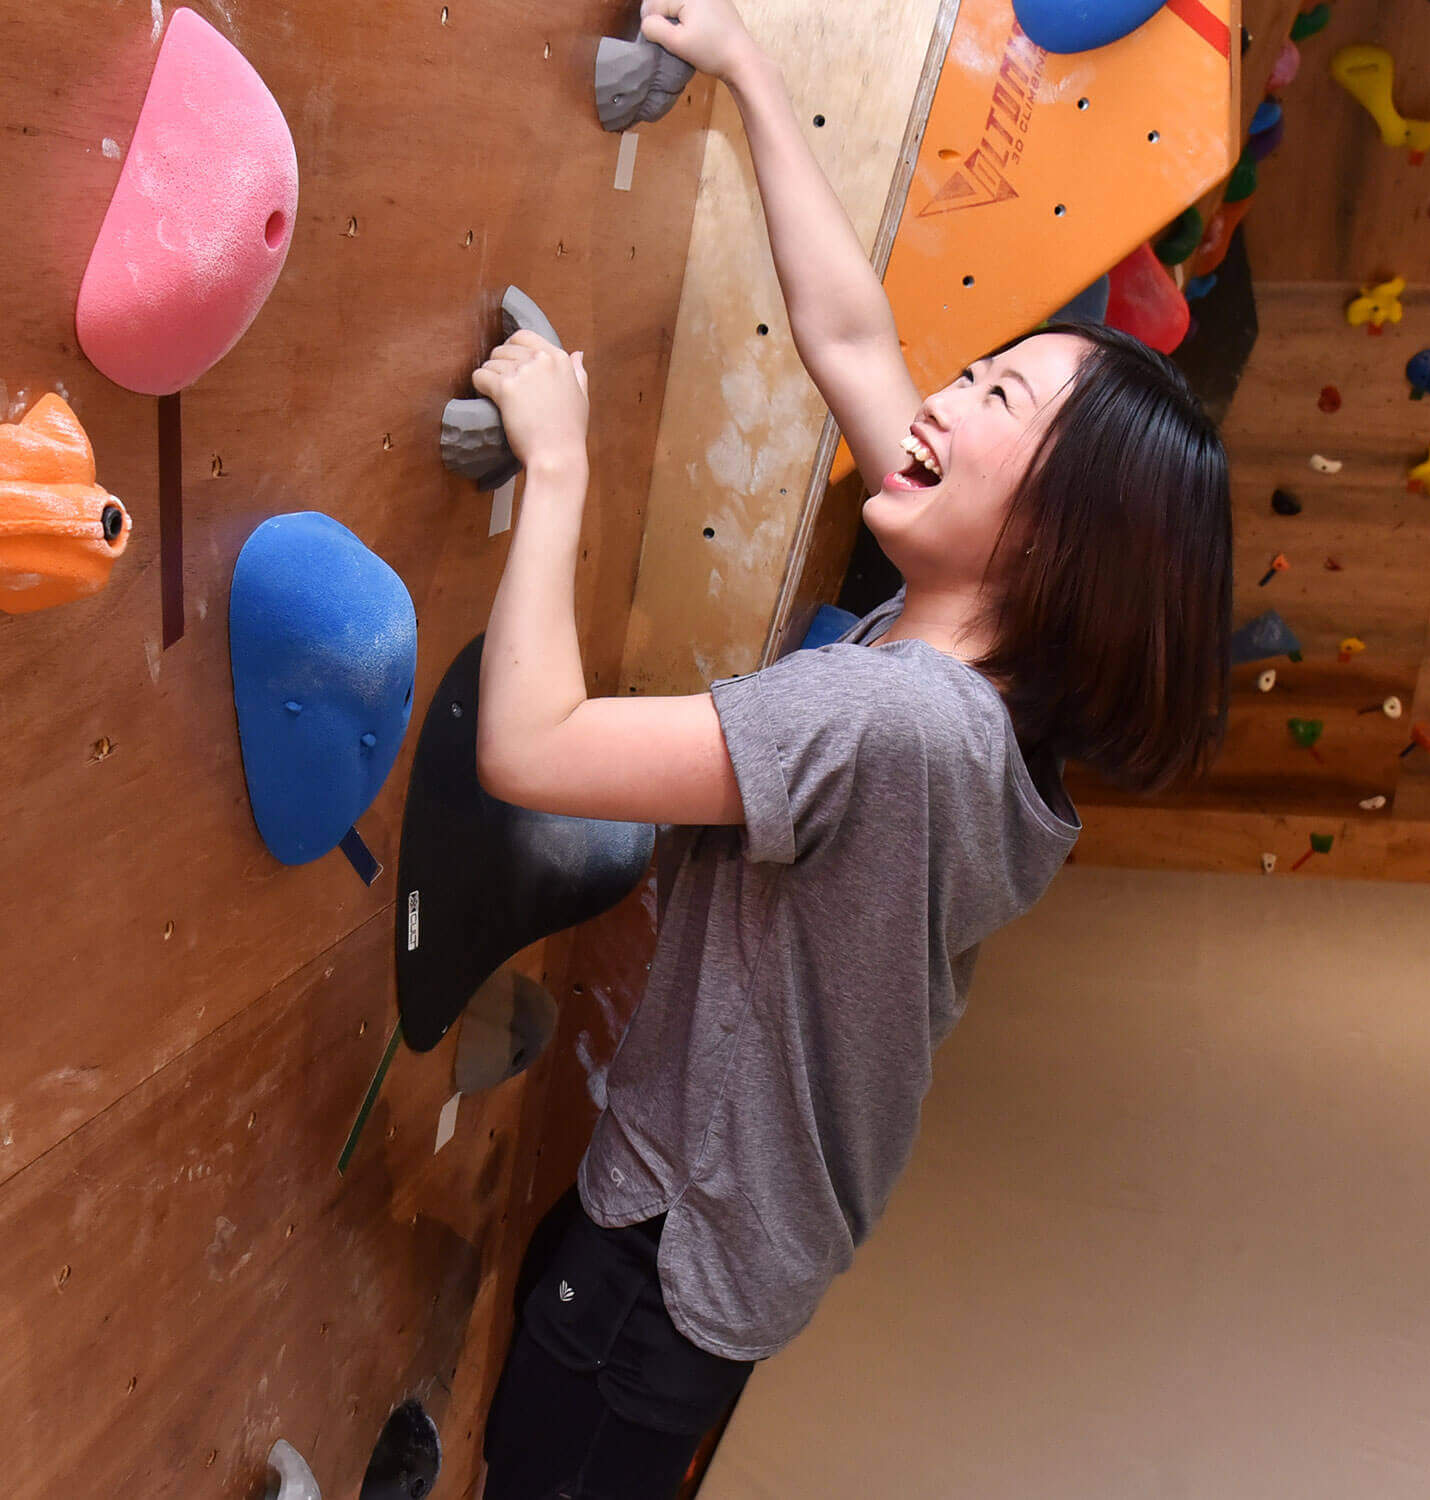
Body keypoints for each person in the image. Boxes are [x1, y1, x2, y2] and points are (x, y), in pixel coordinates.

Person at [465, 0, 1235, 1492]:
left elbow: (533, 745)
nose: (939, 398)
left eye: (993, 395)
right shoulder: (985, 668)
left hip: (662, 1268)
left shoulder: (887, 720)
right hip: (744, 1253)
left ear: (1054, 536)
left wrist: (556, 462)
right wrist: (748, 67)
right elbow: (847, 329)